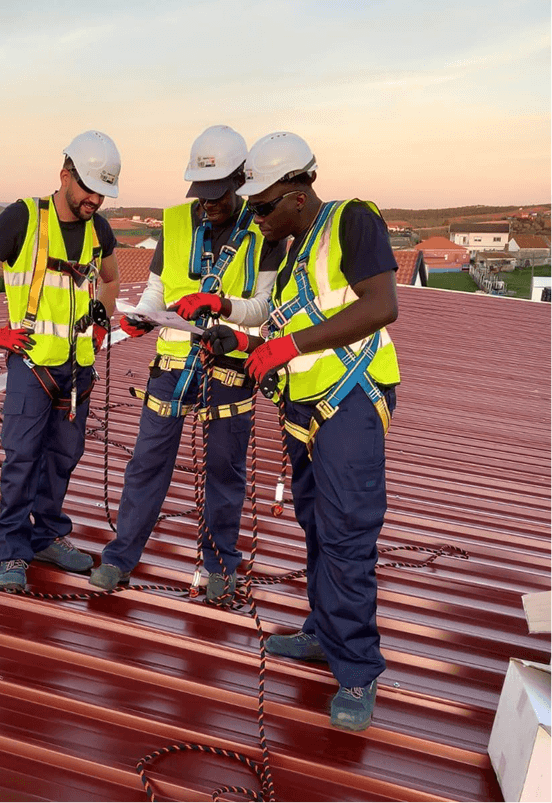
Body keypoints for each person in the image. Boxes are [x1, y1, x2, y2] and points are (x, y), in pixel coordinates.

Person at [202, 131, 400, 731]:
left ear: (297, 192)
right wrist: (238, 341)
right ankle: (323, 631)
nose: (255, 218)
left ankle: (359, 669)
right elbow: (284, 327)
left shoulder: (352, 222)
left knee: (346, 532)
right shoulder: (291, 248)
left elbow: (381, 304)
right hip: (305, 409)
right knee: (317, 524)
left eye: (261, 206)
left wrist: (285, 344)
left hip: (351, 403)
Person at [89, 125, 284, 604]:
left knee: (224, 469)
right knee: (147, 463)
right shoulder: (177, 222)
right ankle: (120, 557)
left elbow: (262, 304)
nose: (208, 204)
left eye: (218, 194)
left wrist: (221, 305)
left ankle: (220, 565)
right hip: (174, 366)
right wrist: (142, 317)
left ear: (241, 181)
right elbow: (158, 290)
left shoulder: (263, 229)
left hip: (229, 366)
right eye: (202, 193)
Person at [0, 131, 121, 591]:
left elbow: (110, 278)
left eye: (102, 192)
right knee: (22, 458)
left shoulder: (98, 229)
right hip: (32, 366)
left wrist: (102, 317)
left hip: (77, 369)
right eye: (88, 189)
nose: (95, 200)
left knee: (64, 456)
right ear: (65, 175)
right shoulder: (25, 218)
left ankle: (46, 536)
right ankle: (12, 551)